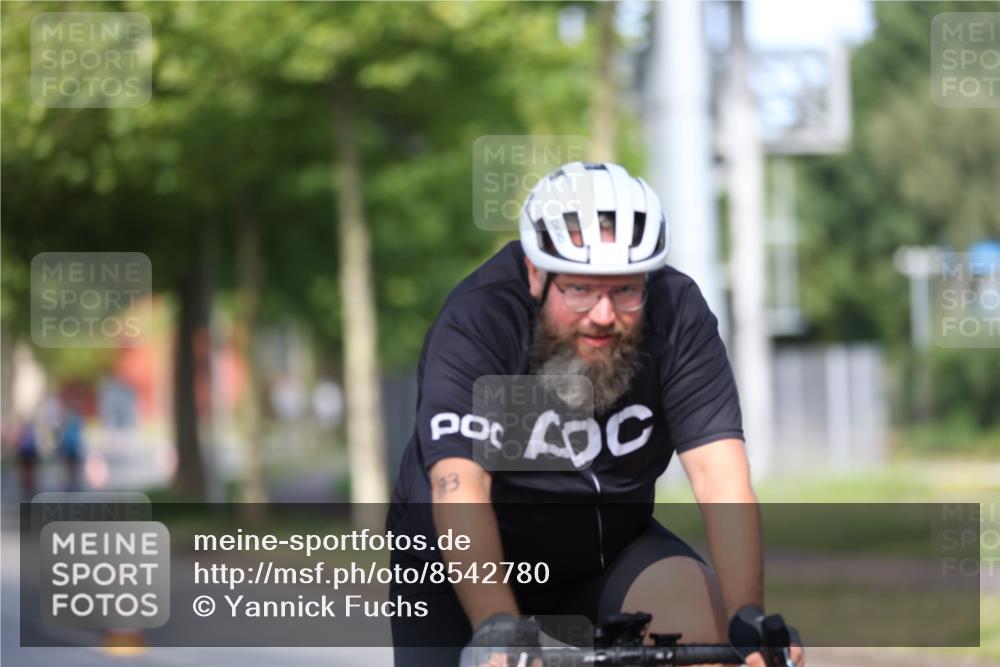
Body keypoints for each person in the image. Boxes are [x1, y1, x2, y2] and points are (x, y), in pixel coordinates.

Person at [386, 162, 803, 667]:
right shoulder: (480, 320)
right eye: (580, 289)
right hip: (459, 564)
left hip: (608, 554)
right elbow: (459, 486)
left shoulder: (676, 313)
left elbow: (721, 477)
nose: (604, 315)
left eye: (626, 289)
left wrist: (748, 620)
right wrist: (497, 624)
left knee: (706, 636)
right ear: (536, 274)